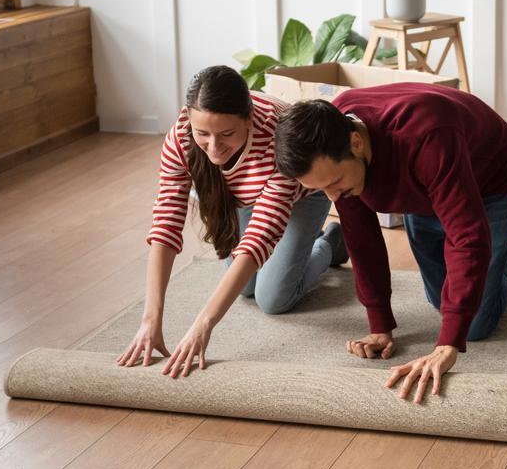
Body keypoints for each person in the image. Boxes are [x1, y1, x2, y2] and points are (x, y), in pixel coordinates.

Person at [274, 82, 507, 403]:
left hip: (489, 175)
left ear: (356, 143)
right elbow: (362, 239)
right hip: (426, 184)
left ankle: (500, 250)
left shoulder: (427, 138)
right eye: (321, 189)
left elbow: (467, 237)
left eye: (335, 183)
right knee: (442, 298)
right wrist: (379, 324)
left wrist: (446, 346)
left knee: (474, 325)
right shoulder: (335, 141)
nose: (332, 197)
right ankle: (497, 248)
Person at [116, 66, 347, 377]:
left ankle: (329, 243)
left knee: (272, 298)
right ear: (188, 117)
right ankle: (300, 242)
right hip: (245, 194)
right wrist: (150, 319)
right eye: (203, 134)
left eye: (226, 134)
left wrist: (203, 325)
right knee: (245, 288)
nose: (214, 147)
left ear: (248, 119)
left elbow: (260, 238)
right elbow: (166, 225)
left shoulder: (275, 137)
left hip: (303, 192)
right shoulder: (180, 139)